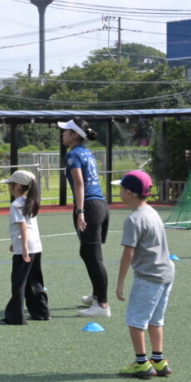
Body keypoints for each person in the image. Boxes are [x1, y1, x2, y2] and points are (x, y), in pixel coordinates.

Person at [114, 171, 175, 378]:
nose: (119, 192)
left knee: (135, 320)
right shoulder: (152, 211)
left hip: (149, 276)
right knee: (156, 320)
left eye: (121, 189)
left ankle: (142, 363)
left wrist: (120, 282)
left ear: (129, 193)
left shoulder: (133, 219)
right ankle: (158, 360)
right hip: (166, 273)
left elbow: (128, 252)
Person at [58, 119, 111, 317]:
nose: (62, 133)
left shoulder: (73, 155)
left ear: (75, 135)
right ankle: (97, 295)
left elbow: (79, 184)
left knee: (94, 256)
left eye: (66, 131)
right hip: (100, 205)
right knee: (87, 253)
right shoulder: (86, 152)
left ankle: (103, 305)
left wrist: (80, 211)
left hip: (89, 206)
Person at [1, 170, 49, 324]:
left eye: (10, 184)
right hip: (36, 246)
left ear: (17, 186)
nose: (8, 187)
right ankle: (41, 312)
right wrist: (14, 243)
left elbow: (23, 226)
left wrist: (23, 247)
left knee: (19, 282)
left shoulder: (16, 204)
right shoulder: (30, 201)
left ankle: (15, 317)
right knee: (34, 281)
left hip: (26, 247)